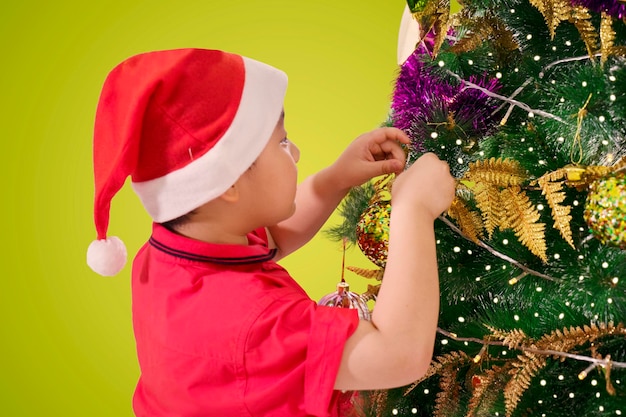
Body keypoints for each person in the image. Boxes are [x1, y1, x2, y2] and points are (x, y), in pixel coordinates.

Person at [86, 48, 456, 417]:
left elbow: (272, 239)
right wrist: (414, 209)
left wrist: (333, 180)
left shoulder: (170, 253)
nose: (294, 151)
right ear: (226, 182)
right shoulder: (255, 325)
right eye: (281, 142)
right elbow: (398, 355)